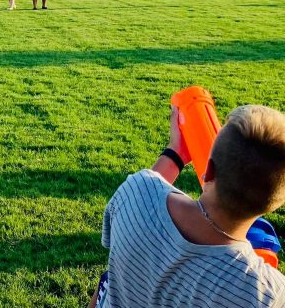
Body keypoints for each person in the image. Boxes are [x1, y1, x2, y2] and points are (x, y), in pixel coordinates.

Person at [89, 103, 285, 308]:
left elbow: (147, 189)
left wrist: (176, 152)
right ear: (275, 204)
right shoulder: (266, 293)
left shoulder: (136, 189)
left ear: (208, 171)